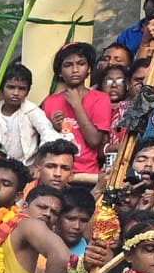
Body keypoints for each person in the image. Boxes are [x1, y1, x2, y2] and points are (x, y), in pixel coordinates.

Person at [39, 42, 113, 177]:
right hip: (56, 173)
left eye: (81, 64)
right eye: (68, 65)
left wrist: (77, 105)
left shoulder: (101, 99)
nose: (75, 70)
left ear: (89, 69)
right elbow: (44, 144)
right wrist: (54, 128)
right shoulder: (50, 102)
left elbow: (94, 141)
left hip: (86, 174)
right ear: (60, 72)